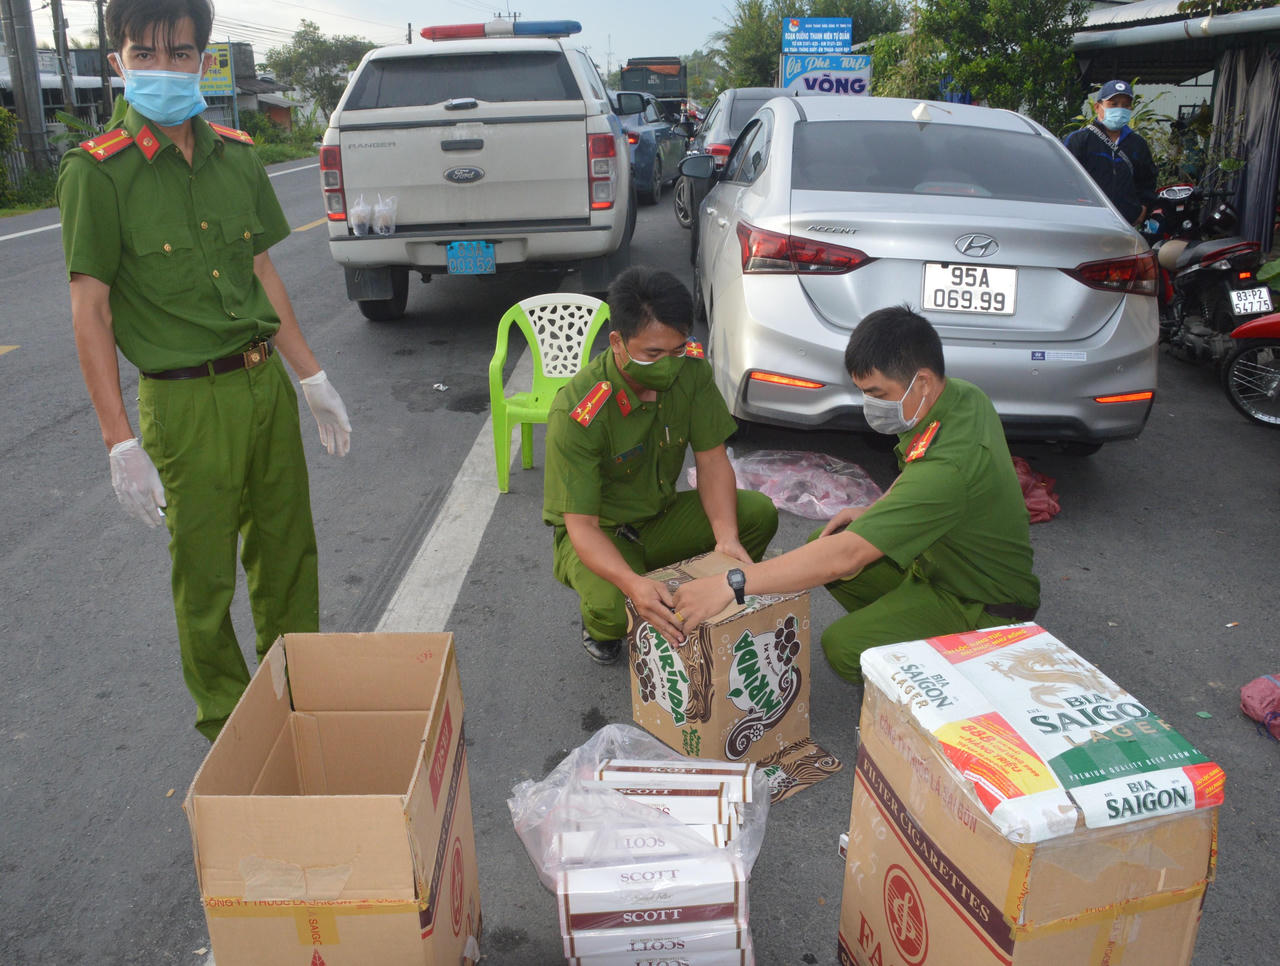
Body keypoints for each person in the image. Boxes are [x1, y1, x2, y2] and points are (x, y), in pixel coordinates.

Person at [57, 0, 352, 739]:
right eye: (145, 55)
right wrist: (118, 441)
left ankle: (299, 703)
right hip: (185, 403)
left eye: (181, 53)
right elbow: (90, 312)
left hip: (261, 383)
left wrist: (311, 377)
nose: (164, 68)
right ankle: (230, 730)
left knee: (289, 553)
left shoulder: (237, 155)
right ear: (118, 63)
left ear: (203, 61)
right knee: (205, 577)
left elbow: (261, 272)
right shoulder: (97, 173)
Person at [672, 306, 1040, 684]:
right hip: (940, 569)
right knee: (826, 539)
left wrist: (731, 583)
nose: (871, 406)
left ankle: (949, 681)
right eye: (865, 393)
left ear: (923, 382)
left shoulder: (949, 468)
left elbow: (847, 556)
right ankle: (906, 632)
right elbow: (917, 467)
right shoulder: (962, 397)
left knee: (845, 645)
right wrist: (878, 508)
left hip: (980, 608)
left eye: (878, 394)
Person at [542, 266, 778, 664]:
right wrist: (631, 583)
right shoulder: (578, 411)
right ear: (617, 342)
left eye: (678, 349)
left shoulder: (692, 373)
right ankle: (603, 623)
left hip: (661, 518)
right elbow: (581, 525)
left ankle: (705, 591)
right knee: (615, 611)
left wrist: (725, 538)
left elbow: (712, 461)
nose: (669, 364)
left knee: (756, 514)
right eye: (653, 354)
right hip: (604, 532)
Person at [1063, 79, 1158, 228]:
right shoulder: (1079, 140)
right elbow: (1063, 178)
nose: (1120, 109)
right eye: (1113, 104)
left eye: (1125, 105)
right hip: (1085, 222)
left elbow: (1147, 181)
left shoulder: (1138, 144)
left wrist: (1143, 208)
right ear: (1097, 107)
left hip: (1126, 224)